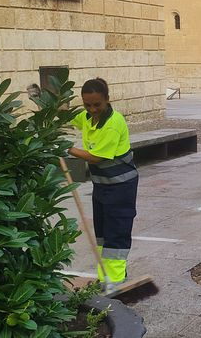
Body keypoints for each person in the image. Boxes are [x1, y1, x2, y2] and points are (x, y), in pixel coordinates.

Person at [67, 78, 138, 291]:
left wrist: (66, 149)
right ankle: (105, 277)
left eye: (97, 104)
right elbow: (69, 118)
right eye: (87, 105)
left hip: (121, 187)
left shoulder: (113, 123)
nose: (92, 109)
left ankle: (116, 282)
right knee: (102, 234)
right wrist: (47, 105)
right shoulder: (87, 117)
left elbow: (96, 157)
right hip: (102, 186)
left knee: (116, 233)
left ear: (107, 100)